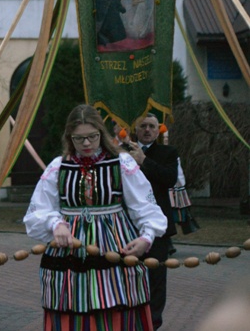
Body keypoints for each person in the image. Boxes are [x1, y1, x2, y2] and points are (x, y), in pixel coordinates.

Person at [23, 104, 166, 331]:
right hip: (69, 250)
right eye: (79, 139)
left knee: (117, 307)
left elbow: (145, 206)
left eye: (92, 136)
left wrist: (147, 237)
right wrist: (56, 223)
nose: (87, 143)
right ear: (70, 138)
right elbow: (38, 209)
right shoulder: (58, 167)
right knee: (70, 307)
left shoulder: (121, 163)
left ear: (102, 133)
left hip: (115, 246)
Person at [129, 113, 179, 330]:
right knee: (131, 274)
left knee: (157, 278)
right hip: (130, 226)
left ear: (158, 130)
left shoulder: (167, 152)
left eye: (152, 126)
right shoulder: (125, 152)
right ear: (136, 129)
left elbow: (169, 179)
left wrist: (144, 162)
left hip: (158, 228)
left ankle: (153, 322)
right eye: (143, 126)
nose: (147, 130)